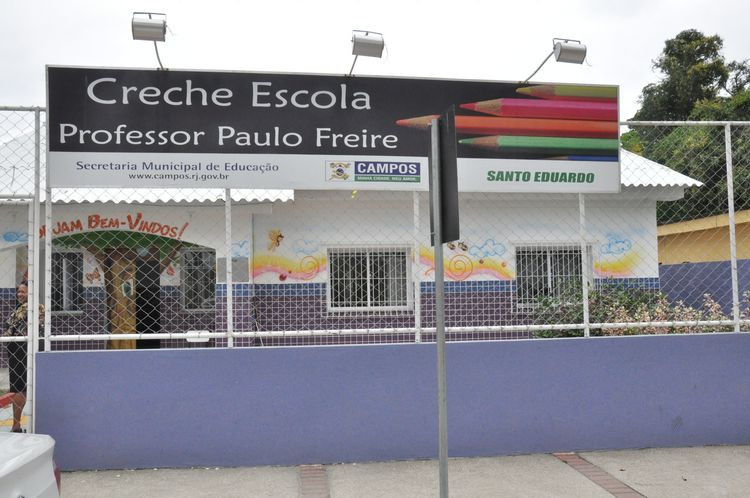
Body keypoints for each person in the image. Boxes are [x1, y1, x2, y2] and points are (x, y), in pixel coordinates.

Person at [3, 282, 44, 433]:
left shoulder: (31, 307)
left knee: (20, 388)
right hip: (18, 350)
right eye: (18, 292)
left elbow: (12, 331)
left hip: (22, 350)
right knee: (22, 388)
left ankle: (16, 425)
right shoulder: (24, 308)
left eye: (23, 292)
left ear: (31, 293)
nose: (20, 294)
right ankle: (18, 425)